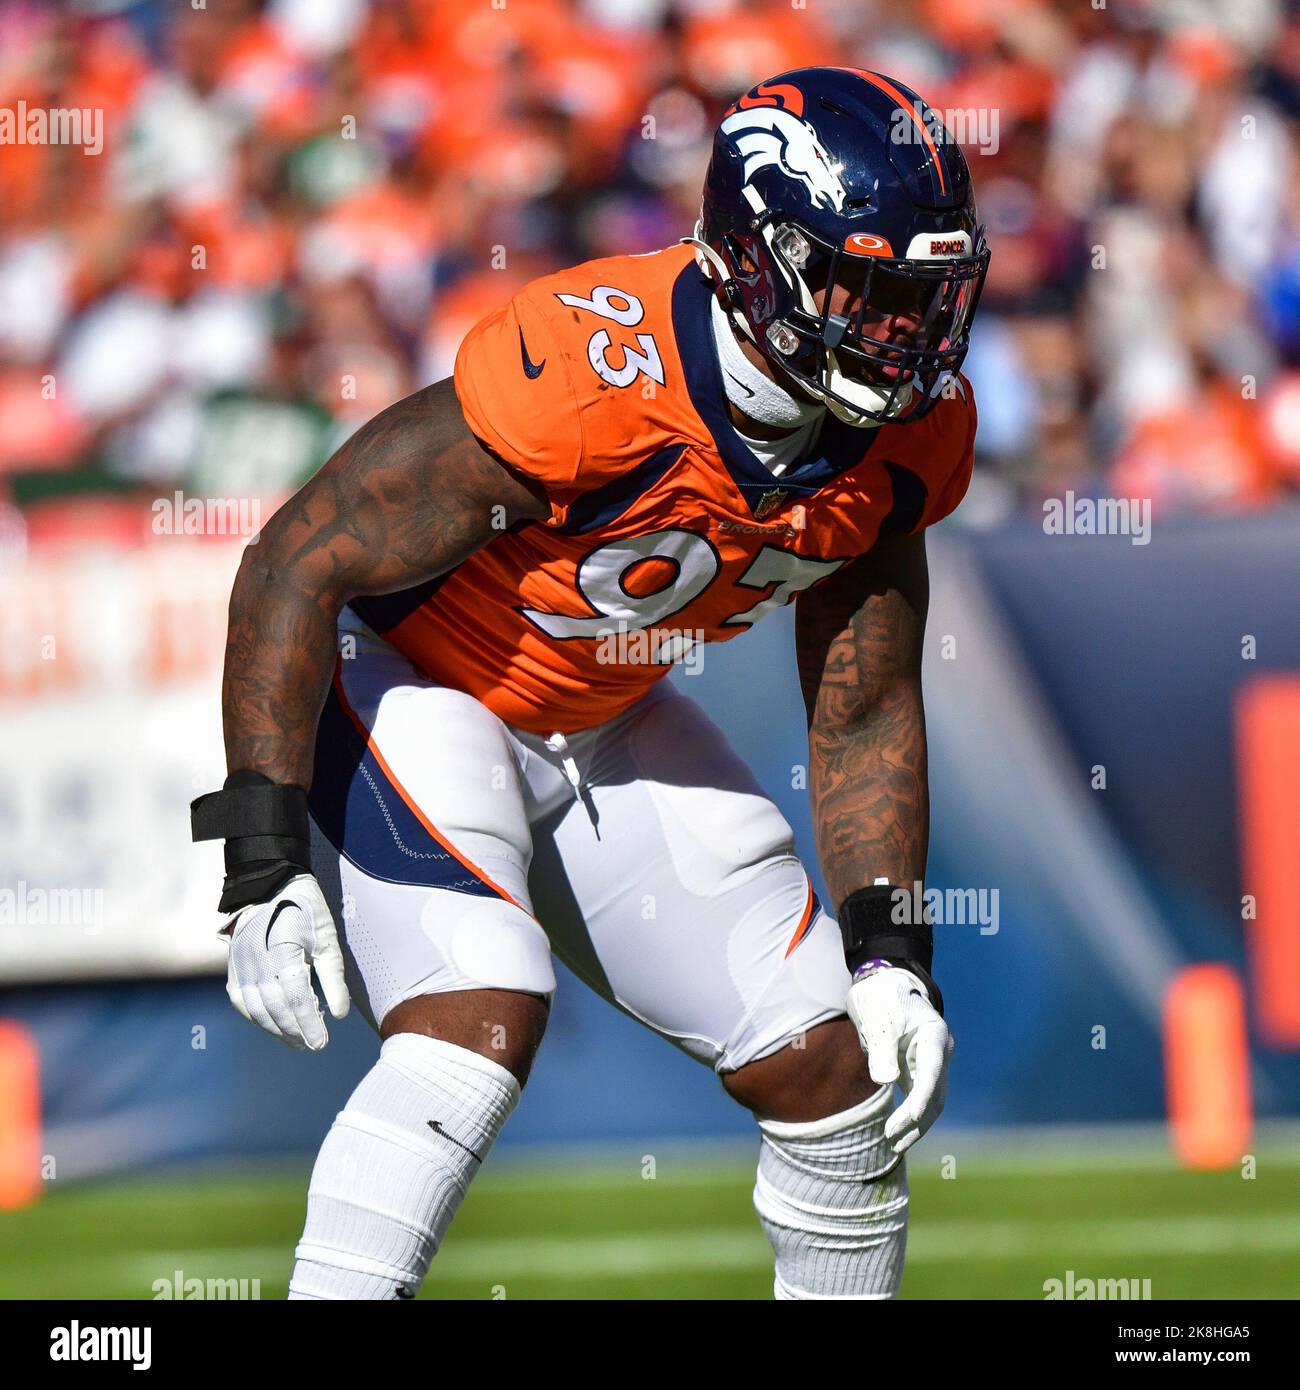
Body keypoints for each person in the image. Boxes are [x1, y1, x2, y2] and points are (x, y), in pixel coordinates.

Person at [191, 66, 989, 1300]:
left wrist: (891, 950)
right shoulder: (592, 370)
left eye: (924, 297)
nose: (901, 333)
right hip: (416, 679)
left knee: (828, 1062)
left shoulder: (907, 438)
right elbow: (297, 557)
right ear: (757, 258)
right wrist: (258, 854)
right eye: (865, 287)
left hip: (602, 716)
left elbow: (867, 692)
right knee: (477, 1011)